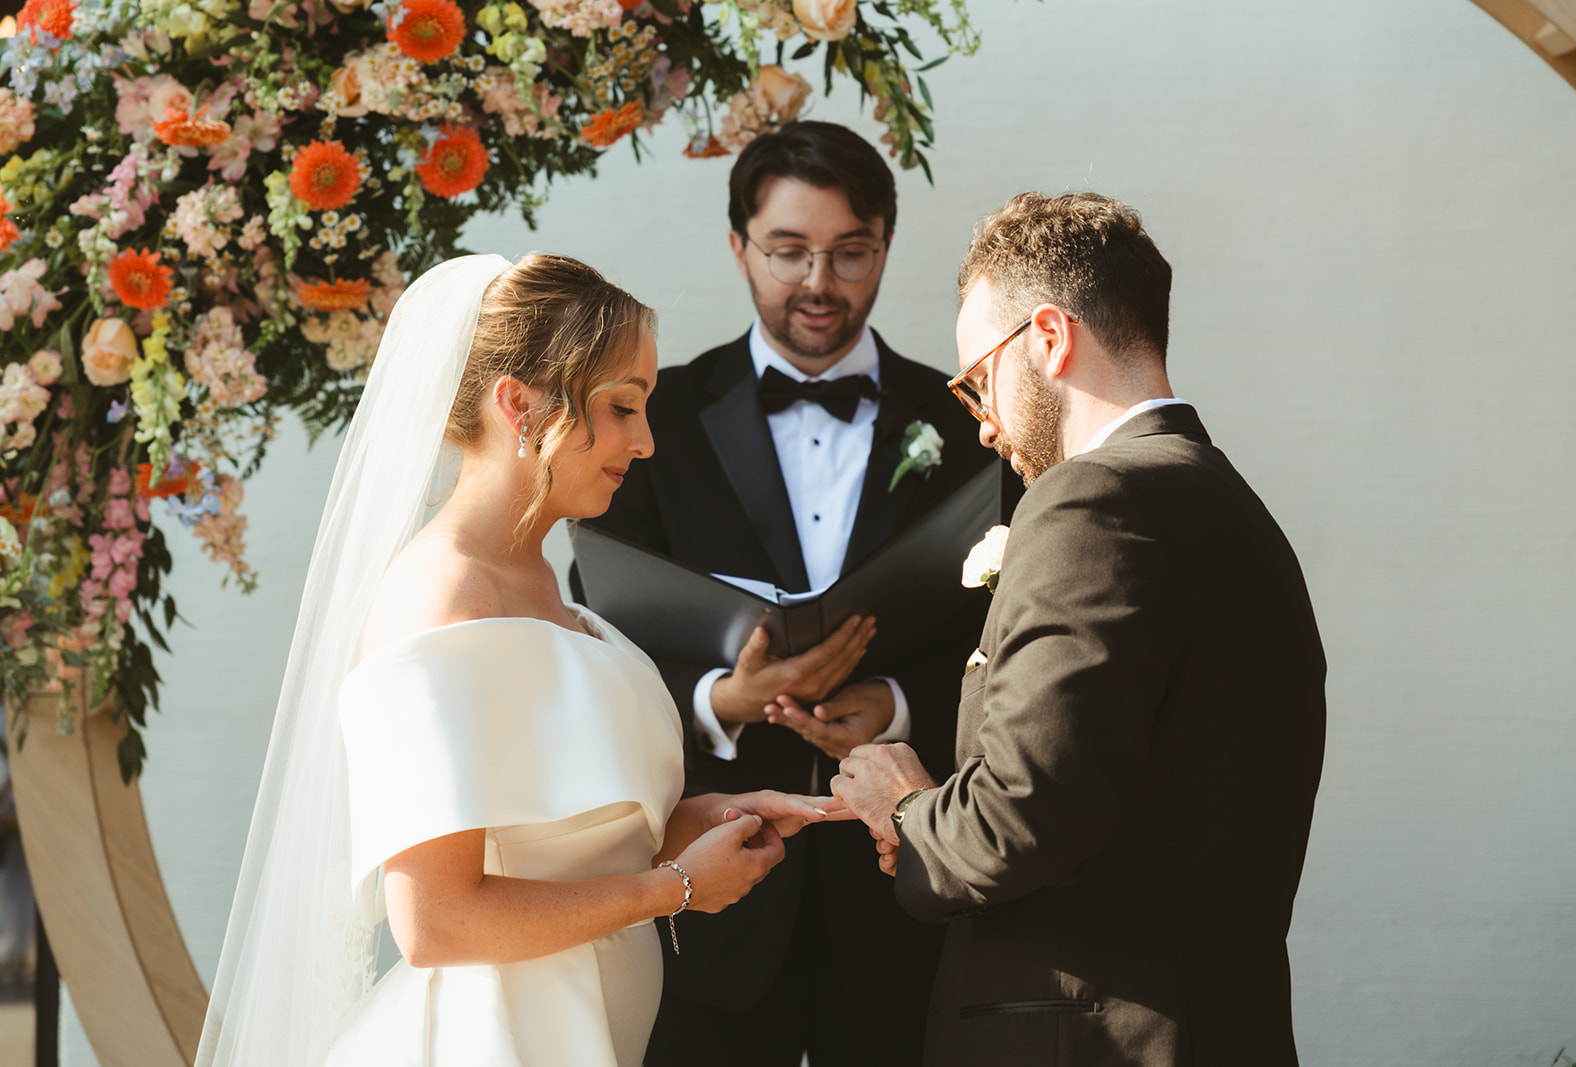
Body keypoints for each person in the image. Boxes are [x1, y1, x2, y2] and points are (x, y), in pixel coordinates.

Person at [196, 252, 847, 1067]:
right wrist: (674, 888)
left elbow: (563, 841)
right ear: (519, 404)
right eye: (621, 408)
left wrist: (699, 821)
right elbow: (436, 921)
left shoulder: (548, 589)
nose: (645, 442)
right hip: (491, 1037)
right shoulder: (443, 595)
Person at [832, 192, 1327, 1066]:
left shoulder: (1090, 499)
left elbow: (1024, 813)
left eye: (978, 379)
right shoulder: (1235, 507)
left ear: (1050, 339)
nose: (981, 421)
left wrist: (905, 806)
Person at [577, 121, 1014, 1067]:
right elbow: (594, 623)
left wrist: (896, 707)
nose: (819, 280)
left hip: (905, 900)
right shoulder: (657, 418)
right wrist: (713, 701)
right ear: (739, 247)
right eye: (788, 251)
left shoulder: (971, 421)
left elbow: (1017, 635)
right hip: (712, 901)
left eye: (850, 252)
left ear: (885, 246)